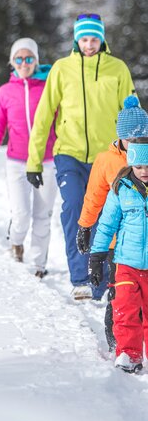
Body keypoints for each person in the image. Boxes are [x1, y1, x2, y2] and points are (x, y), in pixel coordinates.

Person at [26, 13, 135, 300]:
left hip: (108, 156)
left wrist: (136, 153)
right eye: (84, 39)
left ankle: (103, 281)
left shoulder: (118, 69)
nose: (89, 44)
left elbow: (131, 115)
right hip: (69, 153)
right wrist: (33, 160)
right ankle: (80, 277)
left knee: (107, 214)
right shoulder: (62, 69)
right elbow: (44, 115)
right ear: (76, 39)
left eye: (94, 38)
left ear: (102, 38)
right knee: (75, 206)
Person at [0, 38, 57, 277]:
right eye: (19, 58)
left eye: (29, 58)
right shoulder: (5, 92)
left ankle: (39, 265)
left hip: (47, 161)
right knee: (21, 215)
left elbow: (63, 123)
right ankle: (16, 241)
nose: (24, 63)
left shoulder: (49, 87)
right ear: (12, 62)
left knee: (42, 216)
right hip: (17, 163)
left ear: (36, 60)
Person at [77, 96, 148, 349]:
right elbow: (94, 196)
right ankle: (118, 343)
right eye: (129, 139)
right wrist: (85, 225)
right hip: (117, 246)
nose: (134, 145)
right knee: (121, 296)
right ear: (120, 137)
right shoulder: (107, 160)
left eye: (140, 138)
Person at [89, 138, 148, 373]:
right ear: (132, 164)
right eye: (139, 166)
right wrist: (96, 258)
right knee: (124, 309)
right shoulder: (121, 189)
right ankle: (129, 353)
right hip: (125, 264)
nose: (144, 171)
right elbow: (106, 226)